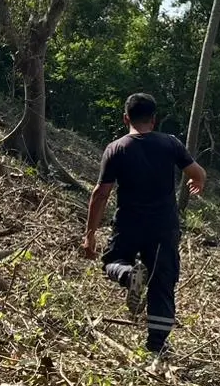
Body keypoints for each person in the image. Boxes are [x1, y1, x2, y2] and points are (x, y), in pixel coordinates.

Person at [83, 93, 206, 355]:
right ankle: (157, 345)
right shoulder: (170, 144)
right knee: (162, 281)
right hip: (164, 226)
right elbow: (197, 173)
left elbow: (101, 193)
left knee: (112, 261)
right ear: (154, 119)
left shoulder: (116, 149)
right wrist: (198, 182)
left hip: (129, 223)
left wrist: (90, 234)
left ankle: (128, 276)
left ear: (125, 117)